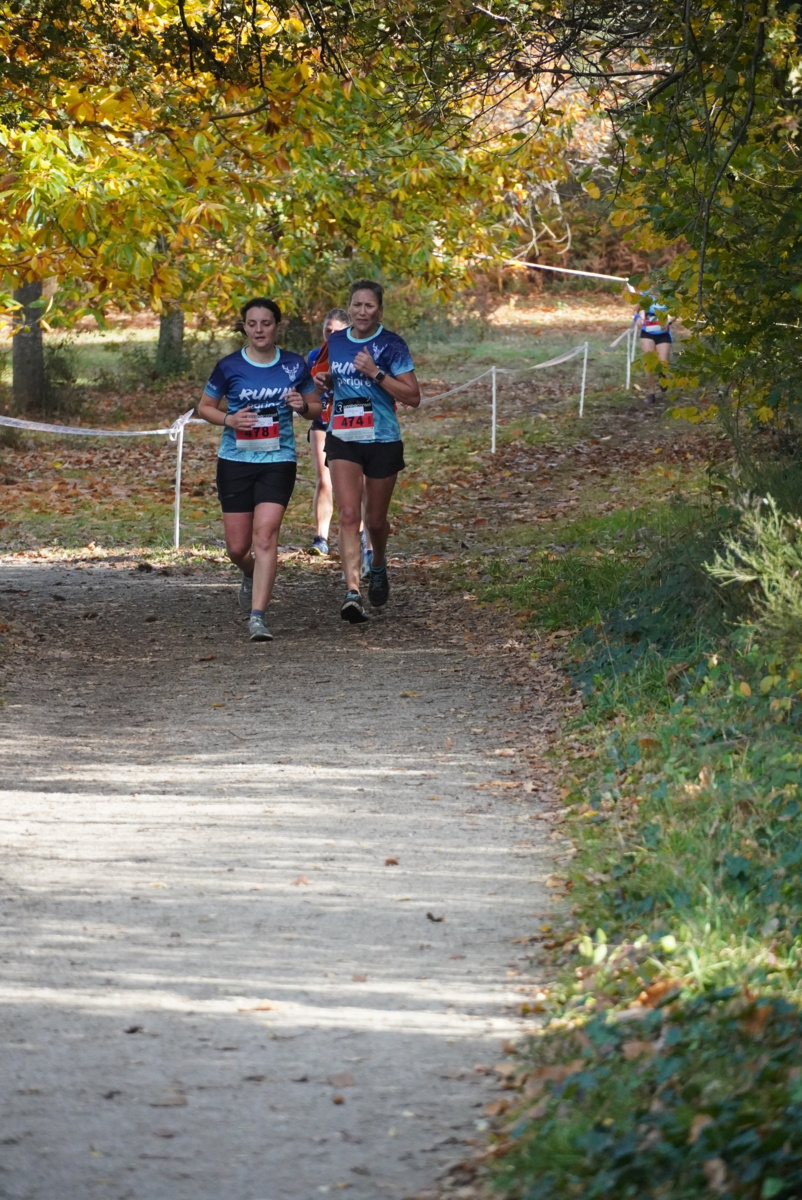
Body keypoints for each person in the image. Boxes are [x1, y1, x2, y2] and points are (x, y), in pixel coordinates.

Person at [197, 298, 321, 641]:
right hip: (235, 460)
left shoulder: (294, 365)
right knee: (237, 548)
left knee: (265, 535)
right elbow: (204, 407)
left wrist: (302, 405)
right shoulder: (229, 366)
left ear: (277, 327)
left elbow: (315, 407)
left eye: (266, 323)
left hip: (278, 460)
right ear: (244, 327)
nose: (259, 330)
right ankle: (249, 572)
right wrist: (230, 419)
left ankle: (257, 617)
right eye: (252, 324)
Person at [316, 280, 421, 623]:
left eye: (369, 306)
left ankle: (377, 563)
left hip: (382, 438)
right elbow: (332, 381)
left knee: (375, 521)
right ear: (350, 308)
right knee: (349, 515)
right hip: (343, 436)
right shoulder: (336, 342)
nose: (362, 311)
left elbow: (413, 397)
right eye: (357, 305)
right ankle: (352, 591)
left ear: (379, 310)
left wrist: (375, 373)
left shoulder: (392, 344)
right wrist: (327, 382)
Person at [306, 308, 348, 558]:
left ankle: (359, 533)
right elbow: (305, 390)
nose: (331, 335)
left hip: (350, 423)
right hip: (321, 421)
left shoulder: (356, 354)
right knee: (324, 480)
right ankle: (321, 537)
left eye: (336, 331)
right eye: (327, 330)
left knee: (353, 484)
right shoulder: (314, 356)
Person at [634, 293, 674, 404]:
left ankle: (662, 376)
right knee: (649, 364)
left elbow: (676, 313)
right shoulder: (645, 295)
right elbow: (635, 310)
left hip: (663, 334)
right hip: (647, 333)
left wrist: (669, 321)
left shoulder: (668, 295)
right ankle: (651, 394)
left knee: (663, 363)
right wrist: (637, 318)